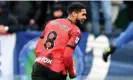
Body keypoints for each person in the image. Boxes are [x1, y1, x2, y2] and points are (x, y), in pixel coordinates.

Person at [31, 2, 87, 80]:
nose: (85, 17)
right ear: (74, 14)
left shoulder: (51, 23)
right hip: (56, 69)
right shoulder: (75, 31)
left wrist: (42, 61)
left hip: (38, 66)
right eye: (83, 14)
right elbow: (67, 55)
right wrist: (71, 73)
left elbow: (37, 48)